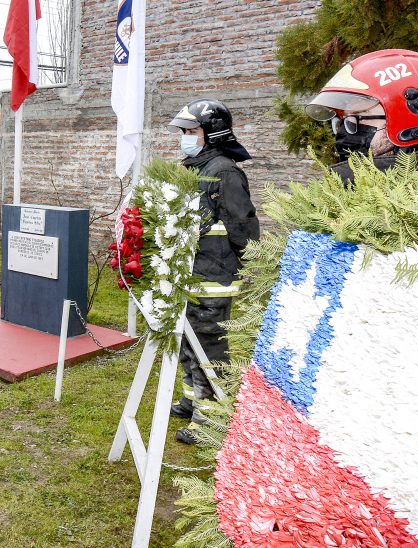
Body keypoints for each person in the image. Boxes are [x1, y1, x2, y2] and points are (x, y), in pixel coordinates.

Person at [167, 99, 260, 444]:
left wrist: (242, 265)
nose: (186, 138)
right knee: (188, 339)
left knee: (209, 343)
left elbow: (243, 227)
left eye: (191, 132)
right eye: (185, 133)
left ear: (212, 134)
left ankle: (209, 418)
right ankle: (192, 401)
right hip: (191, 271)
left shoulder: (224, 172)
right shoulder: (194, 167)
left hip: (214, 274)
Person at [304, 49, 418, 184]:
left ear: (408, 119)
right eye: (344, 121)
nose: (346, 131)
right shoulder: (372, 183)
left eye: (359, 116)